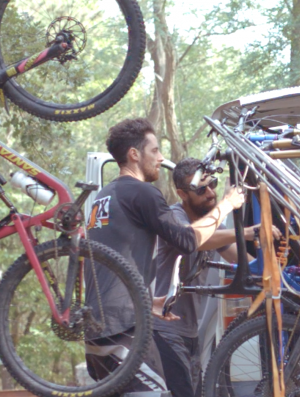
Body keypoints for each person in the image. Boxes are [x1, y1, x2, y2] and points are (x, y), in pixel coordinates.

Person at [84, 118, 244, 393]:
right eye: (155, 150)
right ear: (134, 154)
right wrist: (227, 204)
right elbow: (188, 240)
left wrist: (146, 302)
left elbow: (109, 267)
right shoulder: (142, 192)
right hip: (122, 330)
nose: (160, 158)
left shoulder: (105, 195)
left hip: (99, 327)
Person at [152, 157, 278, 397]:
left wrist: (272, 268)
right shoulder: (174, 218)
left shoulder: (209, 225)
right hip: (166, 331)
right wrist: (248, 232)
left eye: (213, 184)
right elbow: (195, 240)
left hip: (189, 332)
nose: (210, 193)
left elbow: (241, 261)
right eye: (201, 189)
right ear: (182, 194)